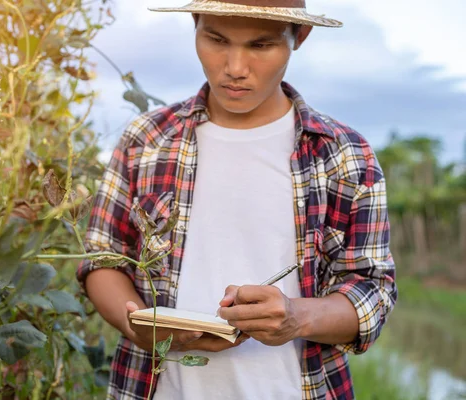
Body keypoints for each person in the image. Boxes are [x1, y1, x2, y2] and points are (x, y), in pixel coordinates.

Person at [77, 1, 398, 399]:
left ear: (299, 37)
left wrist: (296, 317)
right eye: (216, 39)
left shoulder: (344, 155)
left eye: (260, 46)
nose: (235, 67)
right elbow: (102, 259)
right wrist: (138, 327)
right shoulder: (146, 140)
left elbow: (373, 291)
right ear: (195, 25)